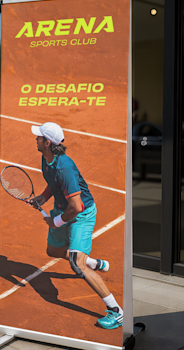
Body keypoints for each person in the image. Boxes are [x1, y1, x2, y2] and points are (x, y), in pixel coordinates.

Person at [29, 122, 123, 330]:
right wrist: (43, 198)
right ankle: (94, 263)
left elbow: (77, 207)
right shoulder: (47, 159)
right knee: (53, 251)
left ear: (47, 143)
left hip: (81, 215)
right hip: (63, 209)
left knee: (76, 264)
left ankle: (116, 311)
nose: (36, 138)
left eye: (39, 137)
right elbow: (53, 183)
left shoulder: (64, 167)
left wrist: (56, 221)